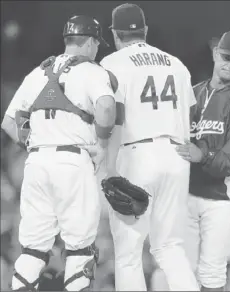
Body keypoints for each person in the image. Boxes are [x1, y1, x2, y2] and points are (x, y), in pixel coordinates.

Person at [1, 15, 117, 291]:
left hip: (36, 164)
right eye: (96, 44)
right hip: (72, 161)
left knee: (32, 250)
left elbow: (7, 122)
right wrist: (101, 145)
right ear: (89, 42)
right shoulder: (92, 71)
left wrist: (34, 145)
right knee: (79, 250)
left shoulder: (38, 72)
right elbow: (106, 108)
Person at [100, 3, 200, 291]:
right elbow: (190, 114)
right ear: (145, 31)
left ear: (116, 35)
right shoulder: (176, 63)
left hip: (137, 154)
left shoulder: (112, 63)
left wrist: (108, 167)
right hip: (176, 155)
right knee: (170, 247)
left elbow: (112, 116)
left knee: (129, 254)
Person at [176, 31, 230, 291]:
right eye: (226, 57)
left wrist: (202, 154)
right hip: (188, 194)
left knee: (211, 274)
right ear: (215, 54)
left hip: (222, 199)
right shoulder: (192, 95)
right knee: (181, 271)